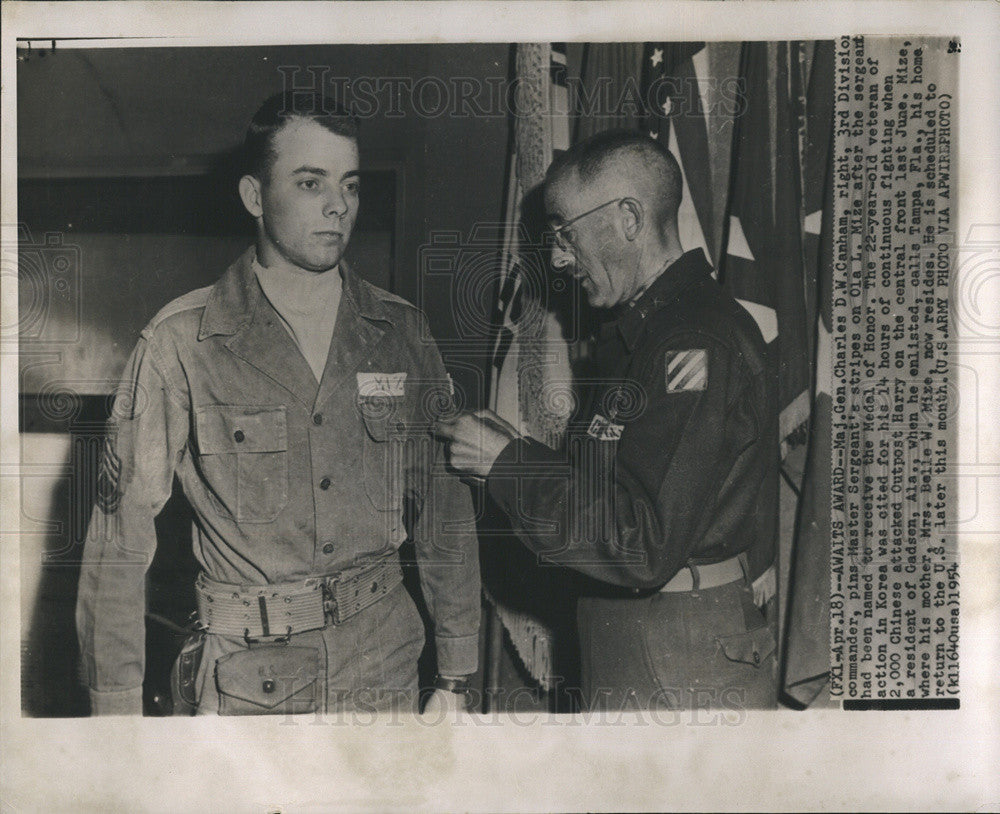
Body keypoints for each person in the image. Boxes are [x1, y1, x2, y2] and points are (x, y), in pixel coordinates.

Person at [76, 91, 480, 716]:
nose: (338, 204)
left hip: (384, 669)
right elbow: (119, 543)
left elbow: (445, 513)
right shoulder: (183, 342)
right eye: (310, 182)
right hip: (249, 681)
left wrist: (455, 676)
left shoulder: (401, 335)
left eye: (350, 183)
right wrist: (116, 712)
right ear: (255, 197)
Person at [436, 130, 779, 711]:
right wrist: (513, 450)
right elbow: (618, 490)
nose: (558, 257)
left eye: (565, 233)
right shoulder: (652, 334)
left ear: (627, 218)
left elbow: (641, 541)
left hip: (674, 653)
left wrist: (508, 465)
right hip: (647, 639)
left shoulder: (689, 344)